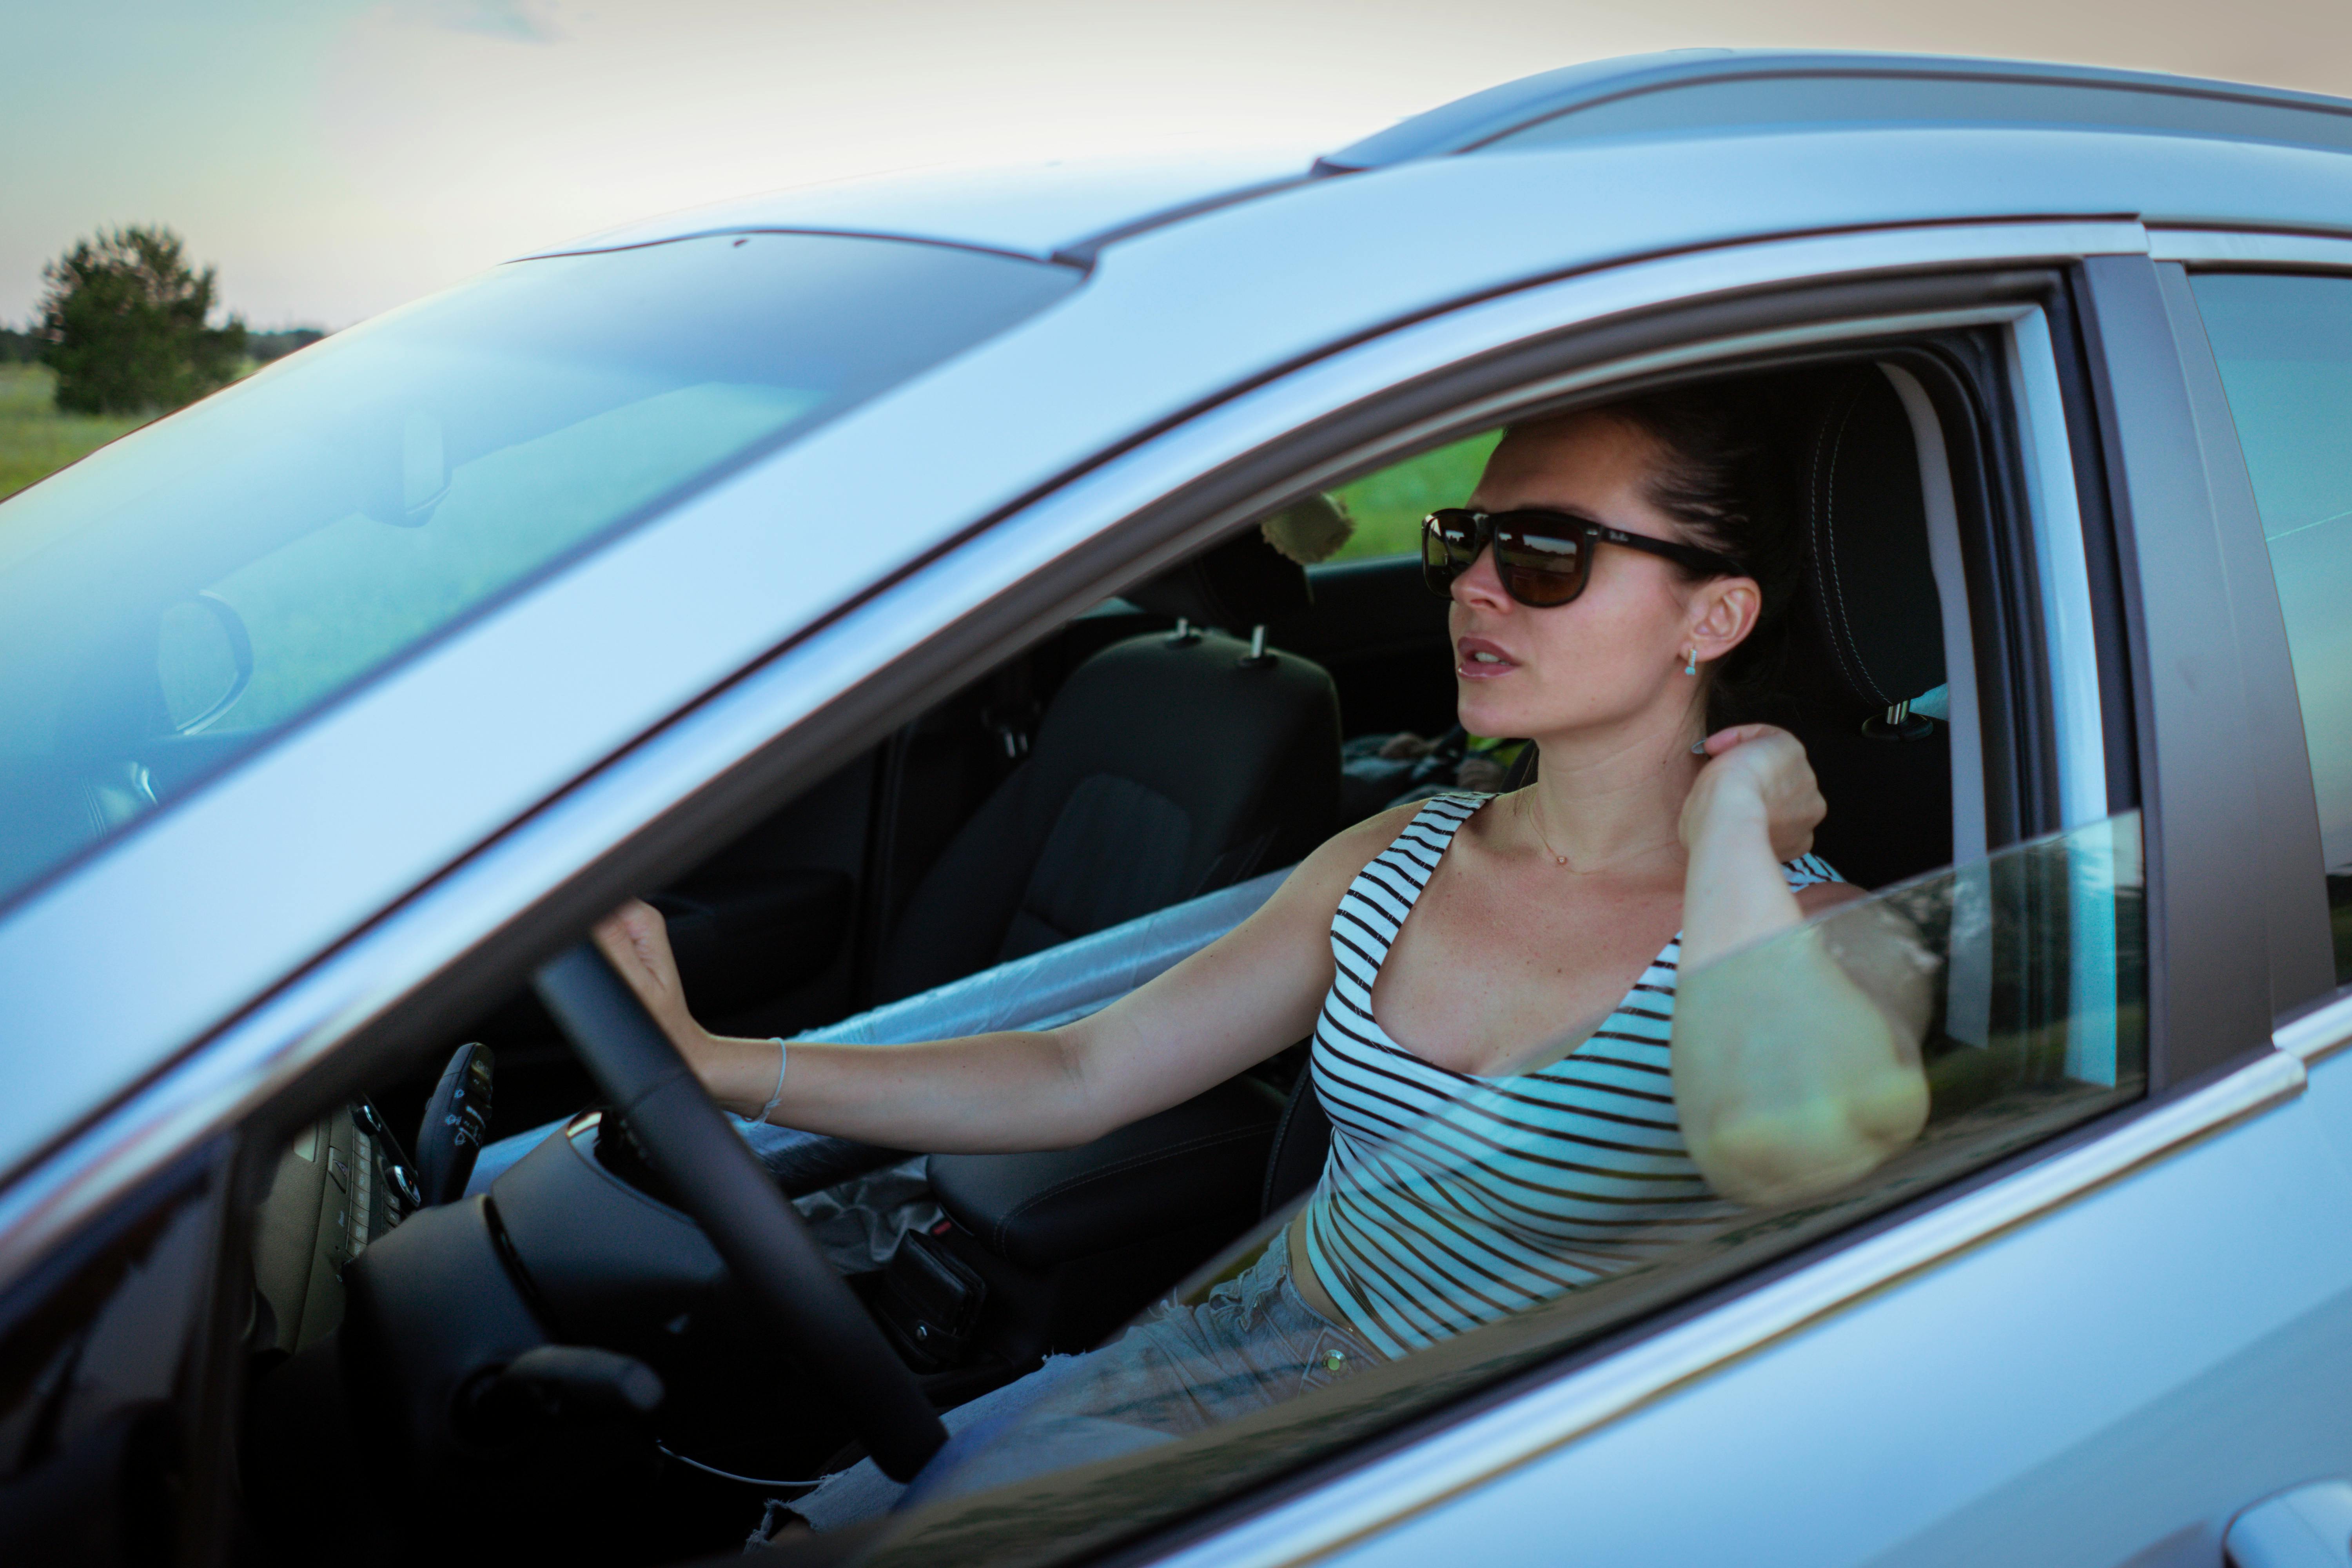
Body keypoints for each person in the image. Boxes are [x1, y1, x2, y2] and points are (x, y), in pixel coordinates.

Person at [592, 388, 1931, 1525]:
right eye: (1466, 538)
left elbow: (1787, 1148)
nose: (1471, 581)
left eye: (1542, 553)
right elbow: (1079, 1070)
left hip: (1470, 1482)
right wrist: (721, 1068)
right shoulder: (1400, 852)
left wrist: (1739, 830)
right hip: (1206, 1368)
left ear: (1714, 620)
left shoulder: (1823, 937)